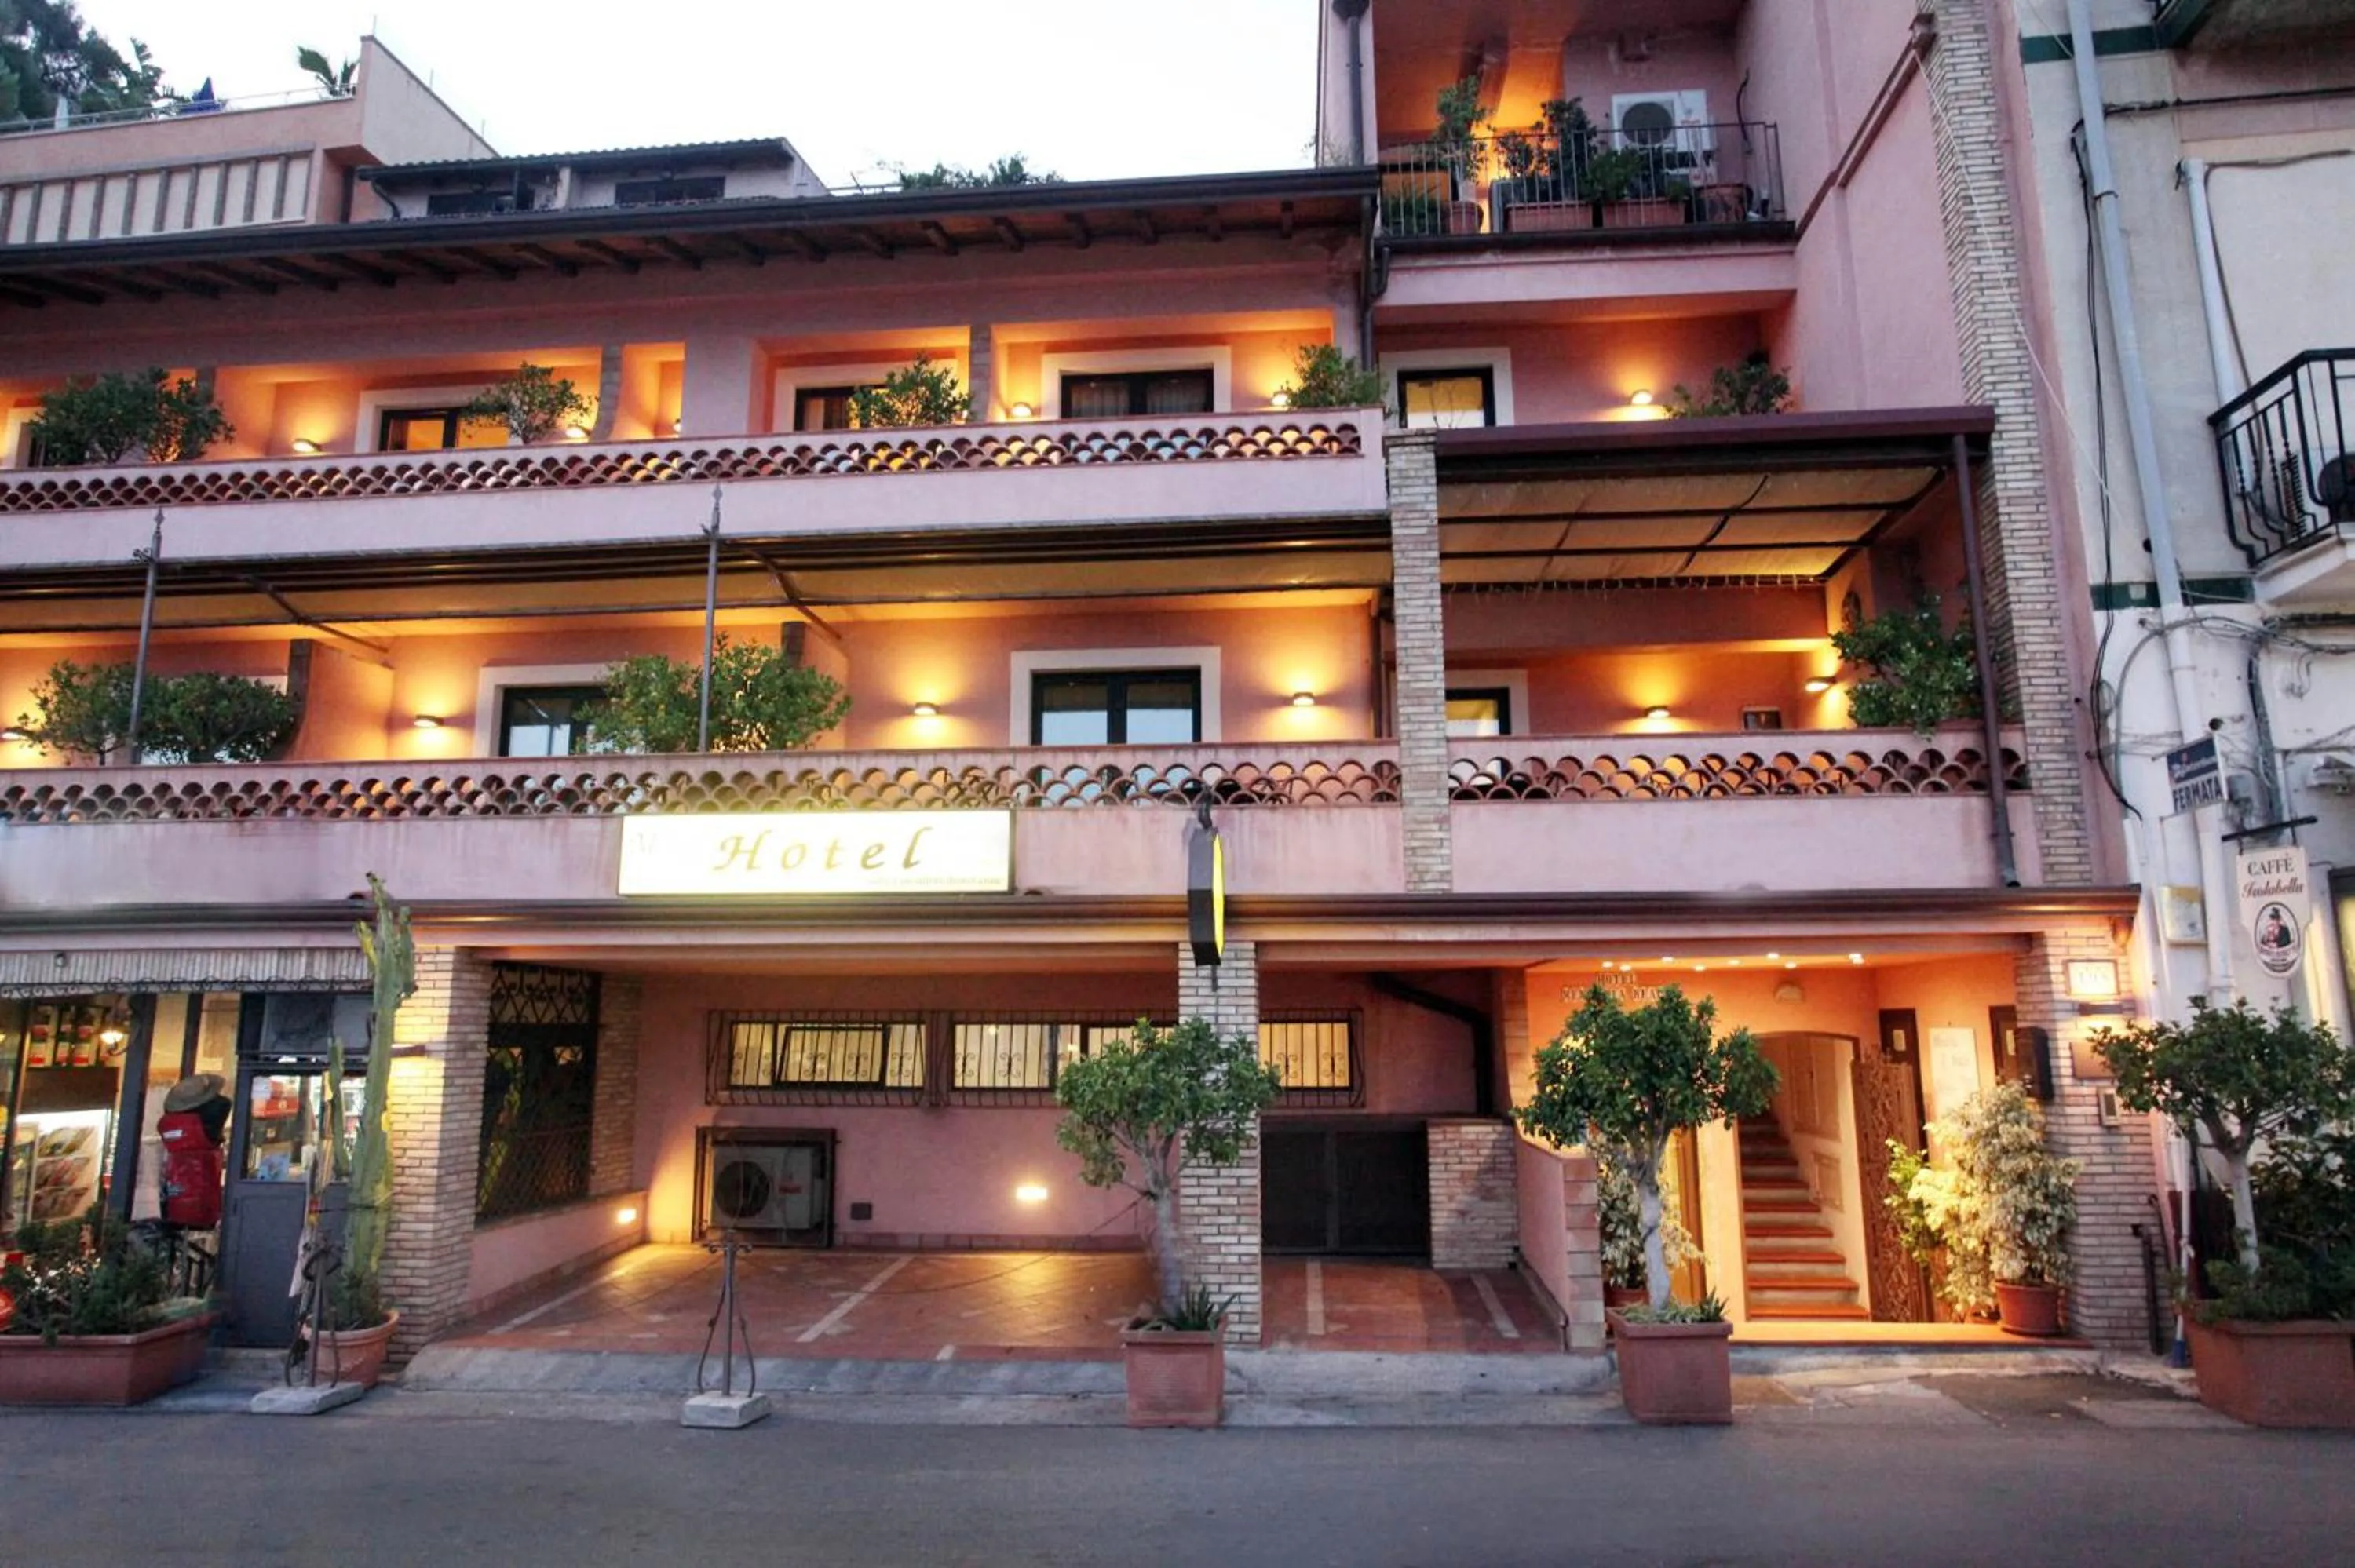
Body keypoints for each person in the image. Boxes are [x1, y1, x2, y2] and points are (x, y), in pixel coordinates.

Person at [157, 1073, 229, 1232]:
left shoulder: (165, 1124)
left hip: (176, 1190)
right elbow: (225, 1103)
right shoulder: (211, 1117)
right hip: (204, 1189)